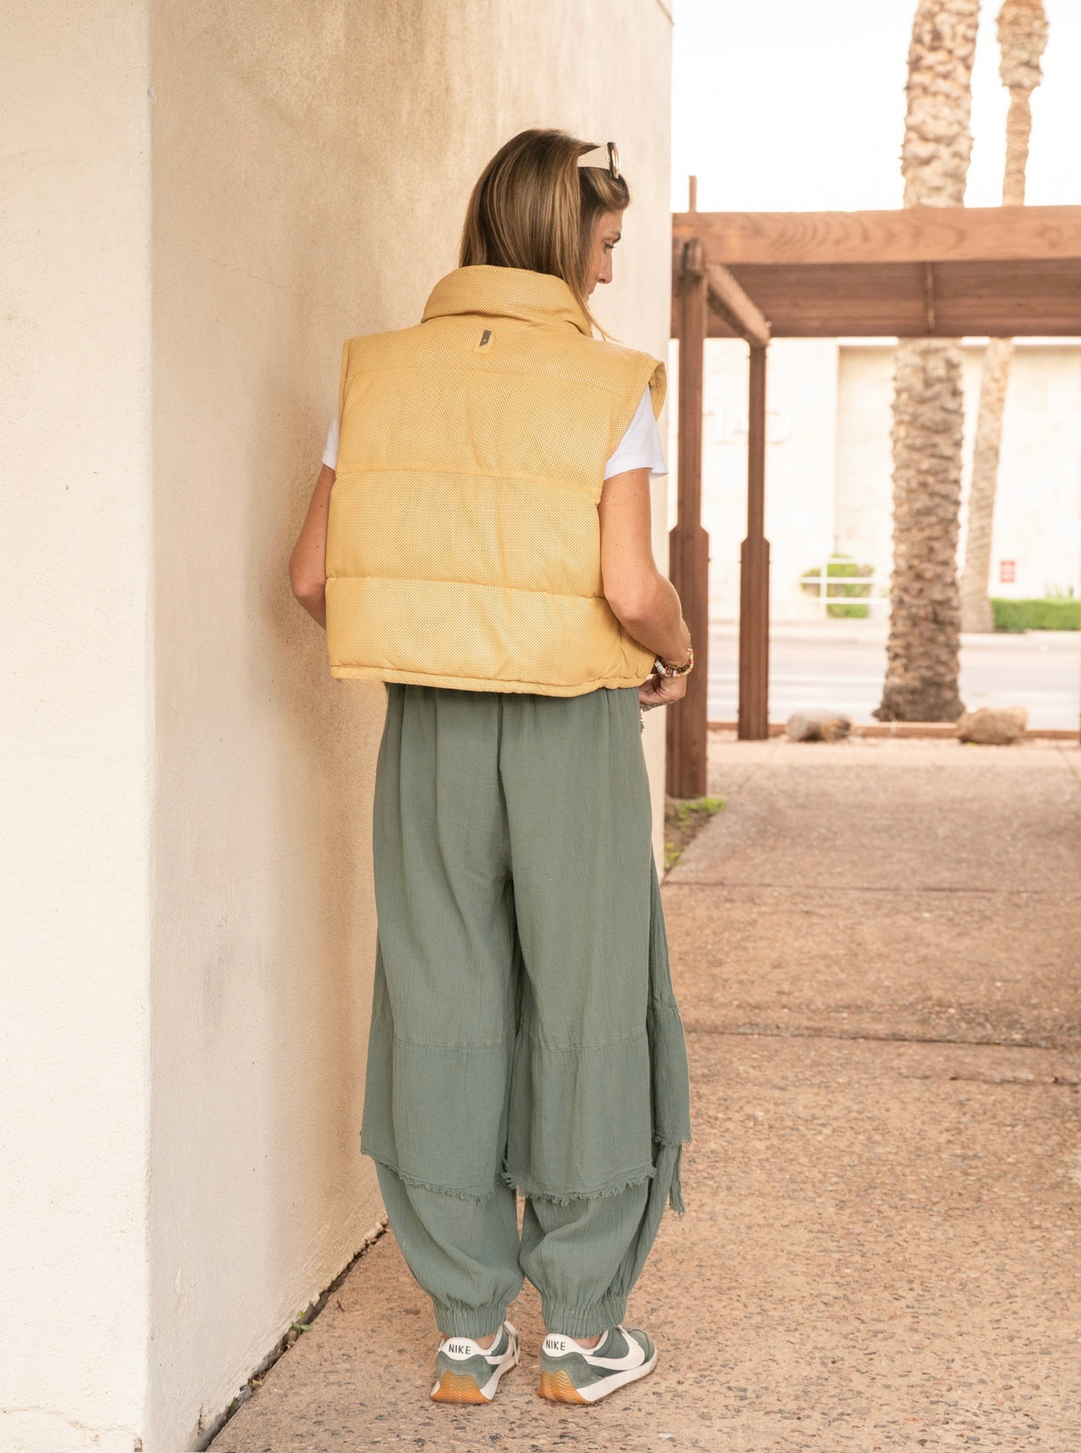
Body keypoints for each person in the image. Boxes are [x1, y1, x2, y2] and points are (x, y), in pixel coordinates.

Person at [289, 129, 691, 1408]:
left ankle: (469, 1330)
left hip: (430, 733)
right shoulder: (607, 381)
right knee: (584, 1001)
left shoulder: (379, 376)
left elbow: (311, 576)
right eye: (607, 244)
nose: (611, 272)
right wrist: (677, 653)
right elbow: (628, 588)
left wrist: (430, 643)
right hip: (570, 724)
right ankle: (578, 1332)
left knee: (441, 1002)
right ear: (559, 241)